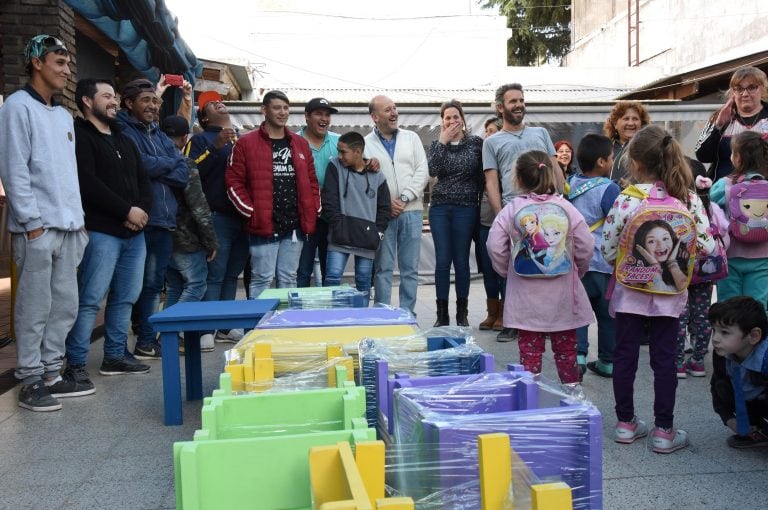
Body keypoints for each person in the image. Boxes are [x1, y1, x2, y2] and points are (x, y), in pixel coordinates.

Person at [602, 125, 716, 454]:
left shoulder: (626, 199)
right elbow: (706, 246)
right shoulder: (688, 198)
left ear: (634, 162)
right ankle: (664, 430)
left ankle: (626, 424)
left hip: (629, 292)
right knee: (665, 360)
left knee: (624, 356)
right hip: (670, 294)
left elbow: (609, 251)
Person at [0, 35, 88, 411]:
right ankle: (31, 377)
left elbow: (69, 174)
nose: (67, 72)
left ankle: (53, 371)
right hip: (37, 228)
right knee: (34, 306)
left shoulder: (64, 115)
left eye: (68, 64)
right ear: (37, 62)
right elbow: (14, 166)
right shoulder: (17, 107)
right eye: (59, 63)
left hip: (69, 227)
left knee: (65, 304)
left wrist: (80, 222)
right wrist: (31, 221)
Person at [65, 78, 153, 383]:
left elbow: (143, 180)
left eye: (115, 96)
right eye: (107, 96)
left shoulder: (123, 138)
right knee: (90, 299)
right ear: (88, 101)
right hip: (102, 231)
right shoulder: (80, 136)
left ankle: (115, 356)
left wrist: (141, 212)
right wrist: (125, 211)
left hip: (135, 233)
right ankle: (75, 364)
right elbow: (88, 184)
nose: (114, 101)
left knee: (126, 298)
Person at [487, 151, 593, 384]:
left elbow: (495, 245)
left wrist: (507, 270)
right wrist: (579, 270)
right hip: (563, 296)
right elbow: (586, 244)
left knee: (530, 352)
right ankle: (572, 396)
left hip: (526, 299)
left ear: (518, 179)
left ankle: (531, 400)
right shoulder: (566, 207)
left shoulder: (512, 209)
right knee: (566, 351)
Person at [116, 78, 189, 360]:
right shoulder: (123, 130)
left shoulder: (158, 133)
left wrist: (163, 165)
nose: (152, 106)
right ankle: (123, 347)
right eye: (146, 100)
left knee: (153, 286)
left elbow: (182, 173)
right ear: (129, 103)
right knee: (131, 287)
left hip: (164, 221)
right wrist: (169, 162)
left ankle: (146, 342)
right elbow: (139, 166)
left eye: (155, 101)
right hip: (139, 221)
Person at [226, 90, 320, 298]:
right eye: (277, 108)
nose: (282, 113)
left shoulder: (300, 143)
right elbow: (233, 182)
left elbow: (312, 180)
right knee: (262, 278)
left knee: (289, 277)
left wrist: (313, 208)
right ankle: (259, 328)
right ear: (264, 110)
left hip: (295, 224)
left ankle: (285, 329)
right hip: (263, 223)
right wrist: (251, 211)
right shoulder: (246, 142)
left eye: (286, 108)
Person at [483, 83, 557, 341]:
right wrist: (500, 214)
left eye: (521, 100)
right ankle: (512, 321)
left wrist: (560, 199)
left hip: (547, 208)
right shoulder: (491, 142)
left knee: (548, 265)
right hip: (514, 210)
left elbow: (555, 168)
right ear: (501, 107)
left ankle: (547, 323)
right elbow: (492, 182)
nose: (519, 105)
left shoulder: (541, 133)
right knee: (513, 270)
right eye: (513, 101)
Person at [184, 90, 248, 345]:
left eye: (221, 101)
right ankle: (206, 329)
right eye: (212, 103)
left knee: (233, 273)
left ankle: (225, 325)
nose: (219, 103)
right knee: (215, 273)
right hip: (216, 215)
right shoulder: (199, 140)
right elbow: (189, 172)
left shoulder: (239, 139)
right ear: (204, 116)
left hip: (241, 216)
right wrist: (215, 146)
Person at [364, 95, 428, 313]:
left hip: (412, 211)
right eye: (388, 110)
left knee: (410, 269)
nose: (394, 113)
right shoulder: (364, 144)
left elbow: (422, 171)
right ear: (375, 117)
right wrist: (384, 205)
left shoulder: (412, 138)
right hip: (382, 216)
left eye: (395, 108)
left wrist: (404, 198)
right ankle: (383, 315)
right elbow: (364, 183)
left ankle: (408, 314)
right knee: (383, 268)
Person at [160, 116, 218, 352]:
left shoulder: (156, 163)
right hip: (187, 239)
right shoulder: (184, 164)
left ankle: (167, 339)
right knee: (195, 285)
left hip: (164, 236)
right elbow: (198, 206)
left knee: (175, 287)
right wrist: (211, 240)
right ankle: (169, 333)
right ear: (186, 138)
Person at [567, 133, 620, 379]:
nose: (612, 161)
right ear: (601, 162)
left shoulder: (571, 184)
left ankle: (578, 357)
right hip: (606, 263)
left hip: (578, 262)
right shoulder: (610, 188)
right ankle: (608, 362)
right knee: (608, 315)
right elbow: (618, 222)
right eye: (611, 158)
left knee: (579, 313)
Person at [427, 100, 483, 327]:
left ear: (463, 119)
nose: (452, 121)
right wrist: (442, 141)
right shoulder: (436, 144)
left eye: (455, 116)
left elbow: (481, 176)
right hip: (440, 207)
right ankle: (442, 314)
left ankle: (462, 313)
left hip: (466, 208)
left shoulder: (476, 143)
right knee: (442, 260)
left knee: (461, 260)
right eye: (447, 118)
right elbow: (432, 171)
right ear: (442, 122)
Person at [675, 171, 730, 379]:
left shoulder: (676, 204)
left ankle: (678, 362)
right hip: (705, 268)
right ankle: (698, 361)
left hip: (679, 266)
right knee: (702, 314)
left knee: (681, 315)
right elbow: (724, 230)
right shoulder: (710, 206)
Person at [322, 132, 390, 295]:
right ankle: (329, 319)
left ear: (358, 152)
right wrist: (338, 225)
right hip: (339, 236)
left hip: (366, 239)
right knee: (332, 278)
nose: (339, 156)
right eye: (338, 151)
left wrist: (378, 234)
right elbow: (329, 200)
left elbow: (384, 208)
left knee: (363, 282)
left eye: (343, 152)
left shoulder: (377, 176)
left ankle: (362, 319)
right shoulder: (334, 166)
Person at [709, 131, 768, 307]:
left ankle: (731, 334)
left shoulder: (725, 185)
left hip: (730, 257)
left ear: (737, 158)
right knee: (760, 306)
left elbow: (708, 207)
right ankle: (761, 335)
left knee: (729, 305)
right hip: (764, 257)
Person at [708, 296, 768, 448]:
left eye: (725, 332)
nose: (715, 339)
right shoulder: (723, 352)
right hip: (755, 398)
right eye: (714, 330)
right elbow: (717, 386)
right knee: (723, 386)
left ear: (753, 336)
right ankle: (755, 429)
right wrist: (729, 419)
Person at [297, 98, 341, 288]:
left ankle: (328, 315)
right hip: (303, 215)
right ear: (307, 116)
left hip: (330, 215)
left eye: (327, 114)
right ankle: (300, 314)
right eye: (319, 114)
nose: (324, 119)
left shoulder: (339, 142)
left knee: (329, 270)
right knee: (303, 268)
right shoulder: (294, 142)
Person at [696, 66, 768, 181]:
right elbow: (702, 156)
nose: (745, 94)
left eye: (752, 88)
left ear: (762, 89)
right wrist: (718, 127)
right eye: (739, 89)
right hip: (723, 193)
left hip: (763, 193)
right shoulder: (719, 117)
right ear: (732, 92)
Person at [477, 116, 505, 331]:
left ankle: (505, 313)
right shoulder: (482, 160)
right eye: (486, 131)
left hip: (505, 222)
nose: (488, 135)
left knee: (503, 271)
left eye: (493, 130)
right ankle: (492, 313)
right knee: (487, 269)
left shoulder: (507, 159)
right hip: (485, 221)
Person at [603, 101, 650, 185]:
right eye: (626, 119)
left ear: (642, 124)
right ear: (615, 124)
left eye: (635, 119)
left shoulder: (649, 149)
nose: (631, 123)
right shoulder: (605, 148)